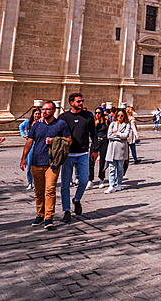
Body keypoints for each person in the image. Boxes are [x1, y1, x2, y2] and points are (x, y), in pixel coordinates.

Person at [20, 101, 71, 229]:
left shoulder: (61, 124)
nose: (44, 111)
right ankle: (40, 214)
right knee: (38, 191)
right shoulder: (37, 125)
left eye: (47, 109)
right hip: (37, 161)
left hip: (52, 162)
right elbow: (29, 142)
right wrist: (23, 158)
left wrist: (54, 141)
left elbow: (69, 141)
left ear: (54, 111)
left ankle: (49, 217)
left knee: (50, 190)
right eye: (43, 109)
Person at [58, 93, 97, 223]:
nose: (81, 103)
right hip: (67, 155)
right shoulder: (63, 117)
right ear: (71, 103)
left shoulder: (88, 116)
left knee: (84, 180)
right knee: (65, 184)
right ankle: (66, 210)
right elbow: (56, 132)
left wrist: (95, 150)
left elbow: (93, 133)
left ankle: (77, 200)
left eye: (82, 101)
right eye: (78, 101)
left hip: (83, 154)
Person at [104, 109, 130, 194]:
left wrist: (116, 133)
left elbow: (125, 136)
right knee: (111, 168)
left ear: (124, 116)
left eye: (121, 115)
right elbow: (109, 135)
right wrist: (119, 137)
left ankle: (119, 183)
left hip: (121, 149)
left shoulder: (126, 125)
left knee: (120, 168)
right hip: (112, 148)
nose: (119, 117)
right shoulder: (112, 124)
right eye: (118, 115)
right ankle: (111, 185)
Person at [19, 107, 40, 190]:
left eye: (38, 114)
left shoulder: (41, 122)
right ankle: (30, 182)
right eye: (36, 114)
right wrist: (23, 134)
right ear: (33, 114)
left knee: (37, 165)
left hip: (38, 144)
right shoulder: (28, 122)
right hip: (30, 144)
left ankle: (36, 183)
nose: (37, 115)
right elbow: (20, 126)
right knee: (29, 164)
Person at [93, 108, 109, 187]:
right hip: (95, 142)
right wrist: (95, 125)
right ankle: (90, 179)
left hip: (104, 141)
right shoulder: (93, 123)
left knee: (102, 161)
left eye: (99, 113)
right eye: (96, 113)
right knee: (91, 161)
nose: (97, 114)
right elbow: (91, 133)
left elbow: (108, 131)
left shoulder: (105, 122)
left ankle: (101, 179)